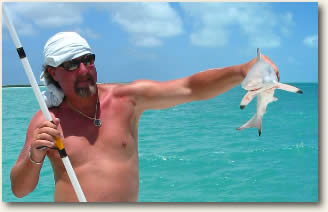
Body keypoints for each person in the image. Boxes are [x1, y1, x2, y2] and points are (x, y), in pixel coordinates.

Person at [10, 32, 279, 202]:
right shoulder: (45, 120)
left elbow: (189, 87)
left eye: (88, 59)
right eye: (71, 64)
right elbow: (20, 190)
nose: (83, 69)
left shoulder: (127, 99)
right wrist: (35, 155)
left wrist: (242, 70)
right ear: (52, 72)